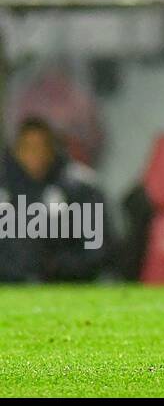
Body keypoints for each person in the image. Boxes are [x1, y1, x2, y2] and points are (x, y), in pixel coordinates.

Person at [0, 117, 112, 283]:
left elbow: (97, 248)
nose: (35, 155)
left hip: (65, 283)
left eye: (41, 147)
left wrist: (56, 266)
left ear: (52, 149)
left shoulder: (79, 188)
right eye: (27, 148)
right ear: (16, 150)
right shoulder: (5, 186)